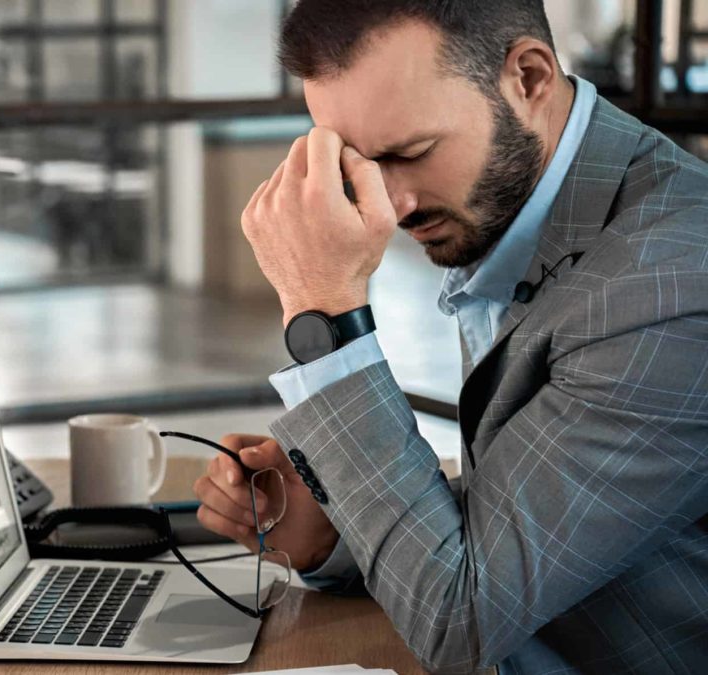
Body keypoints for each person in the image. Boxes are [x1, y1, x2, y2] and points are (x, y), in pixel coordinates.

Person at [193, 2, 708, 673]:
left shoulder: (668, 283)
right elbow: (517, 523)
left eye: (409, 153)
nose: (391, 203)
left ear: (528, 77)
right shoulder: (531, 208)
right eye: (358, 164)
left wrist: (323, 309)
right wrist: (328, 532)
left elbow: (459, 620)